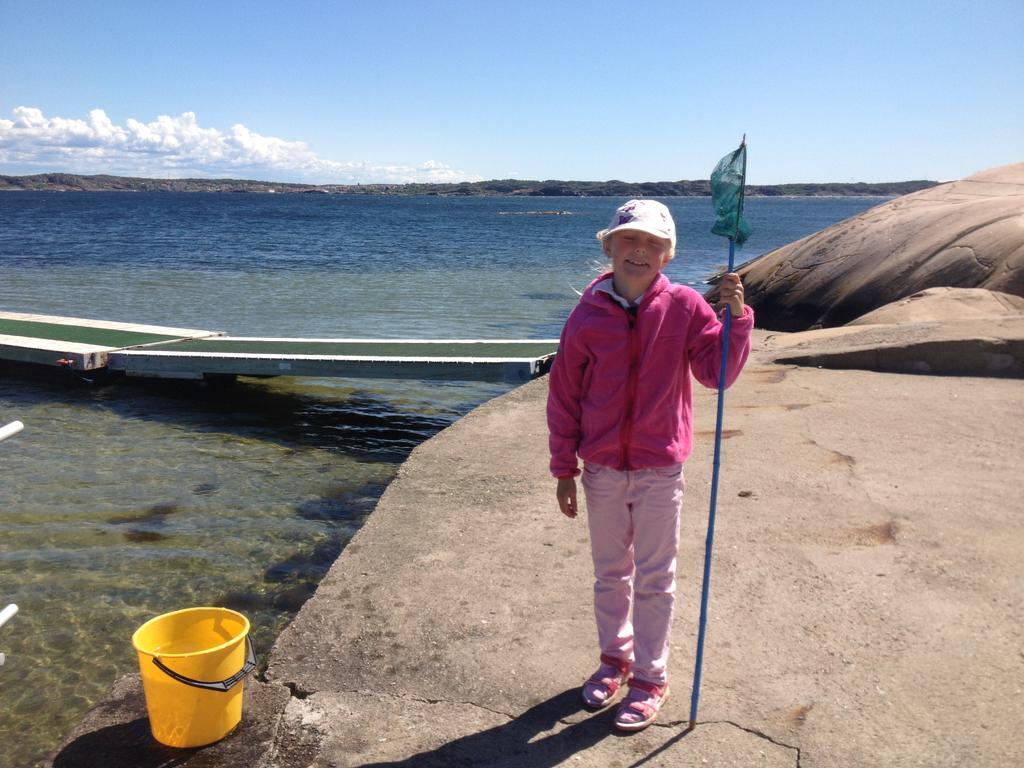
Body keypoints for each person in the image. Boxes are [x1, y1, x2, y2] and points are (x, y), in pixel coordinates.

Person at [546, 199, 753, 732]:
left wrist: (736, 319)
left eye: (653, 244)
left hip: (661, 469)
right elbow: (565, 392)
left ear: (668, 255)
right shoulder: (587, 313)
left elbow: (717, 373)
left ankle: (650, 676)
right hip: (602, 469)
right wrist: (562, 466)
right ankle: (614, 660)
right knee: (610, 574)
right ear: (608, 247)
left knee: (656, 578)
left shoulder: (685, 306)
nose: (639, 252)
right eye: (628, 241)